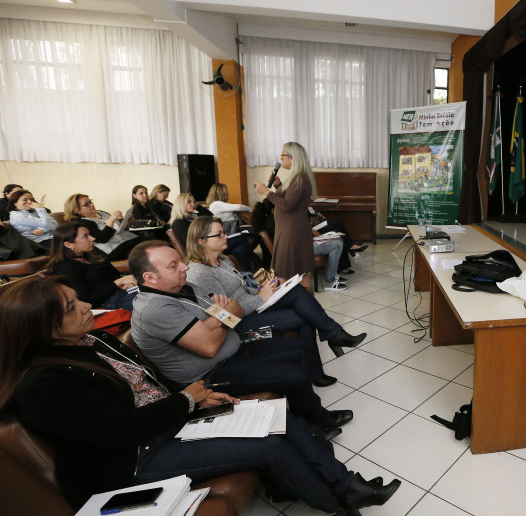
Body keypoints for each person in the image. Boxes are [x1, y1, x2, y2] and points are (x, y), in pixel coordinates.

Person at [0, 275, 400, 514]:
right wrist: (187, 400)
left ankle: (346, 484)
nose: (88, 305)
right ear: (43, 328)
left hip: (161, 426)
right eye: (72, 307)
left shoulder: (91, 341)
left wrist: (194, 398)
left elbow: (147, 385)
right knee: (268, 446)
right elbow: (121, 432)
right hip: (131, 460)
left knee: (273, 412)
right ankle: (334, 504)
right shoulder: (43, 383)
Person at [127, 241, 352, 433]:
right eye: (173, 266)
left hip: (235, 345)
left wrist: (220, 318)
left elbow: (235, 310)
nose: (185, 267)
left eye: (180, 261)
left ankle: (304, 414)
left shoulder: (185, 286)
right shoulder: (155, 309)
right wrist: (226, 315)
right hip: (211, 374)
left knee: (299, 346)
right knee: (295, 374)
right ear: (150, 277)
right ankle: (321, 422)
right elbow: (210, 345)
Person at [184, 217, 366, 386]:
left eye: (224, 232)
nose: (226, 236)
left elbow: (241, 289)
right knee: (303, 310)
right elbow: (227, 316)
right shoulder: (200, 274)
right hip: (239, 324)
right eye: (220, 234)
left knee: (297, 294)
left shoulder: (222, 260)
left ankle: (322, 356)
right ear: (200, 241)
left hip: (253, 305)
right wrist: (261, 297)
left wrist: (263, 288)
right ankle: (330, 341)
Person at [253, 142, 347, 290]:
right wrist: (277, 186)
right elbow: (286, 199)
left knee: (289, 271)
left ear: (292, 158)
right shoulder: (297, 177)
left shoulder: (300, 178)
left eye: (283, 155)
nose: (281, 158)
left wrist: (266, 192)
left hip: (292, 232)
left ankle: (296, 303)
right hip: (287, 230)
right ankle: (298, 303)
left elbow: (287, 205)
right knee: (291, 270)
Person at [46, 223, 138, 310]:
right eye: (85, 236)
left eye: (89, 234)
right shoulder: (65, 268)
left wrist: (126, 284)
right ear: (69, 244)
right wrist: (118, 282)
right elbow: (87, 301)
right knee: (149, 300)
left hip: (124, 292)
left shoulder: (91, 254)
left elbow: (116, 276)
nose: (92, 238)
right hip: (107, 303)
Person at [62, 193, 142, 261]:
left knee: (148, 238)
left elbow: (118, 230)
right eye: (87, 204)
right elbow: (102, 239)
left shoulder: (101, 213)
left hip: (127, 240)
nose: (92, 205)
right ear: (76, 210)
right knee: (146, 241)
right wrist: (111, 220)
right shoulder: (81, 222)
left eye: (90, 202)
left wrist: (126, 222)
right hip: (114, 249)